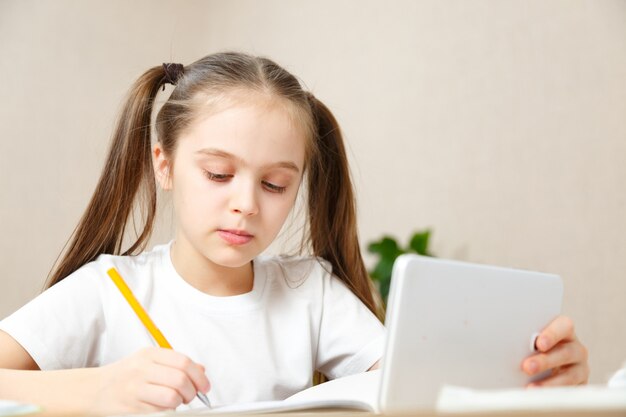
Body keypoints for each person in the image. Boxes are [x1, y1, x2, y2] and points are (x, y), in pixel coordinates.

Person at [0, 52, 589, 415]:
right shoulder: (107, 289)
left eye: (276, 185)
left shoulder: (310, 289)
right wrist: (99, 391)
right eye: (219, 174)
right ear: (164, 165)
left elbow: (409, 385)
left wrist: (532, 377)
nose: (245, 205)